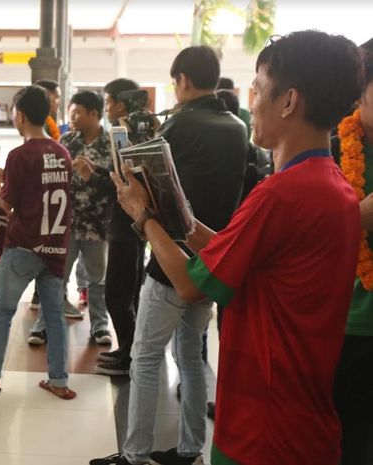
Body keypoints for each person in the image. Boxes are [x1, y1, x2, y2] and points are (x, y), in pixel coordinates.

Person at [102, 30, 362, 465]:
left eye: (257, 88)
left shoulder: (280, 195)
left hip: (260, 431)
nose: (251, 100)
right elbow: (234, 249)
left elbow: (189, 285)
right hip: (306, 424)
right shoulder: (334, 187)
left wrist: (143, 217)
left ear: (289, 101)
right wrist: (176, 216)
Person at [92, 45, 248, 465]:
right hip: (212, 257)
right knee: (192, 356)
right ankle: (190, 448)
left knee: (144, 357)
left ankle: (135, 454)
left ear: (181, 80)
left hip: (169, 261)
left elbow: (152, 184)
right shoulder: (238, 127)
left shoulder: (180, 127)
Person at [0, 85, 75, 400]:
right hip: (54, 247)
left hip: (23, 245)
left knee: (3, 312)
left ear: (20, 115)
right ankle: (59, 380)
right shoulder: (62, 152)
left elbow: (9, 205)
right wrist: (1, 176)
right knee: (54, 316)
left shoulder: (20, 154)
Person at [28, 90, 113, 346]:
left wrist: (94, 173)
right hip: (65, 223)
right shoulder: (67, 140)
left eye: (77, 112)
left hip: (97, 225)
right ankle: (44, 324)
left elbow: (117, 180)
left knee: (98, 278)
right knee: (56, 275)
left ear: (94, 114)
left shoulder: (111, 144)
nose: (72, 117)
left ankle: (99, 326)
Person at [332, 45, 373, 465]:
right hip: (349, 324)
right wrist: (355, 217)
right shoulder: (329, 152)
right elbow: (301, 238)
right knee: (349, 441)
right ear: (359, 94)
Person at [91, 77, 146, 376]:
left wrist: (97, 176)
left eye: (108, 102)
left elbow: (124, 181)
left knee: (117, 293)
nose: (106, 108)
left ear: (120, 105)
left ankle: (129, 357)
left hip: (126, 225)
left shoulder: (122, 135)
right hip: (137, 225)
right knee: (130, 292)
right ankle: (129, 350)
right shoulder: (140, 132)